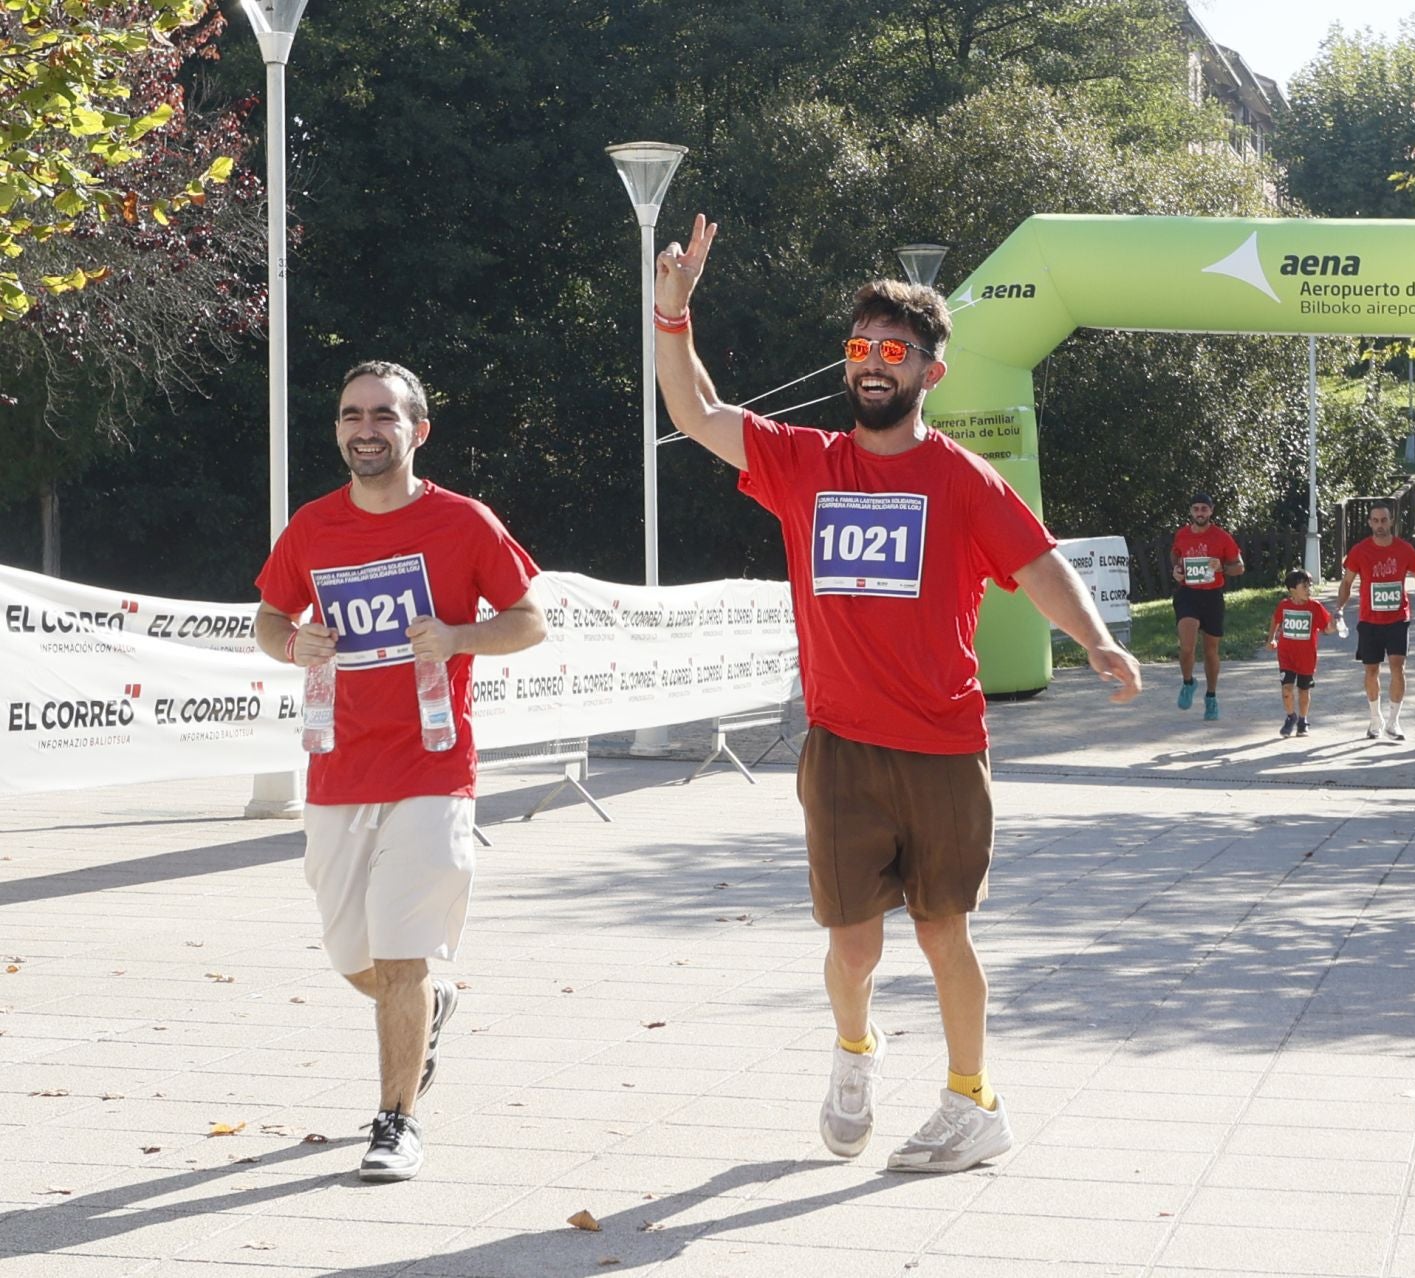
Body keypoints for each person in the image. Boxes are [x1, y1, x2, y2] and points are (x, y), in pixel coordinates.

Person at [650, 214, 1142, 1174]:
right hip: (841, 746)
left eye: (896, 351)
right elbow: (698, 413)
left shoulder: (961, 480)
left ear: (930, 372)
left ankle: (973, 1101)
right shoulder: (805, 465)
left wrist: (1095, 641)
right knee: (854, 945)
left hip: (946, 746)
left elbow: (1038, 563)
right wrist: (673, 315)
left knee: (942, 929)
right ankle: (854, 1052)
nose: (875, 363)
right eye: (862, 348)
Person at [253, 361, 547, 1183]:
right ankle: (429, 1014)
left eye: (383, 414)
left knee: (404, 952)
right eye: (351, 415)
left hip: (432, 764)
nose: (365, 428)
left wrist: (459, 639)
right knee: (358, 959)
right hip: (338, 773)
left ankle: (396, 1121)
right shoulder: (313, 527)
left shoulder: (463, 523)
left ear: (418, 430)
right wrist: (291, 644)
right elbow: (270, 617)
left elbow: (529, 621)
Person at [1335, 501, 1415, 741]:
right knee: (1371, 670)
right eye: (1376, 521)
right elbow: (1347, 582)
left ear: (1391, 521)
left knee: (1398, 668)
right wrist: (1339, 607)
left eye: (1384, 520)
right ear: (1370, 522)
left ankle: (1393, 721)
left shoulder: (1404, 549)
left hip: (1397, 619)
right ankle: (1375, 719)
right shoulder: (1360, 551)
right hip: (1369, 620)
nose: (1380, 525)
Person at [1170, 493, 1245, 721]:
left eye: (1204, 509)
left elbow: (1239, 567)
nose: (1200, 513)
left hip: (1212, 596)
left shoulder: (1221, 537)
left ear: (1211, 511)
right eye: (1196, 509)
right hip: (1188, 594)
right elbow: (1175, 554)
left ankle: (1211, 697)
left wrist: (1221, 567)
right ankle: (1188, 682)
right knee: (1187, 645)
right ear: (1191, 512)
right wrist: (1176, 570)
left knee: (1210, 650)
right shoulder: (1182, 534)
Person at [1268, 570, 1335, 738]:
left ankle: (1303, 720)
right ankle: (1291, 716)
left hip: (1307, 657)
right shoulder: (1284, 605)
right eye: (1304, 586)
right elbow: (1276, 620)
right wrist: (1271, 639)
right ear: (1292, 590)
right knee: (1287, 689)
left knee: (1304, 691)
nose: (1308, 589)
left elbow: (1326, 628)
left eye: (1309, 585)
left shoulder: (1315, 607)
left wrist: (1334, 625)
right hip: (1286, 656)